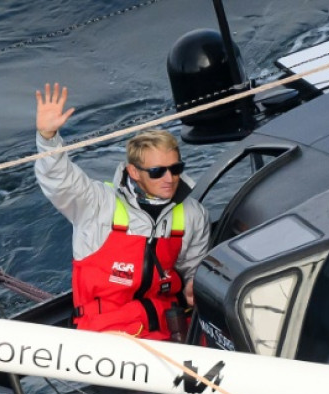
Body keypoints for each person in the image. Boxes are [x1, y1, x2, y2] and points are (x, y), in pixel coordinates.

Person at [34, 83, 209, 340]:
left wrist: (195, 286)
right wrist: (48, 139)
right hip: (108, 337)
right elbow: (60, 181)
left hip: (171, 329)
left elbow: (193, 270)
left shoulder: (193, 214)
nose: (170, 178)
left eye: (176, 168)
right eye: (158, 171)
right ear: (134, 172)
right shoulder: (97, 204)